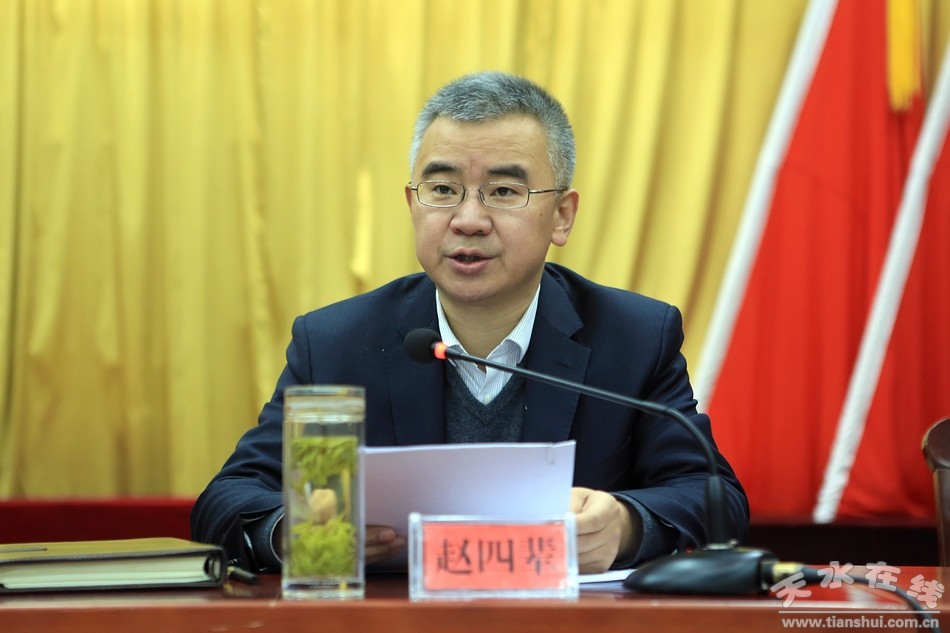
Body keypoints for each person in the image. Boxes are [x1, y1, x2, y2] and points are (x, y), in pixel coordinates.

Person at [191, 71, 749, 574]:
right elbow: (229, 498)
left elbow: (714, 494)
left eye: (503, 191)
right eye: (442, 190)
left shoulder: (633, 337)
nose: (469, 219)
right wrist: (296, 533)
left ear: (561, 216)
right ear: (413, 204)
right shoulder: (336, 344)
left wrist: (625, 525)